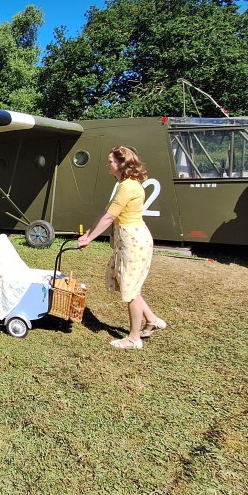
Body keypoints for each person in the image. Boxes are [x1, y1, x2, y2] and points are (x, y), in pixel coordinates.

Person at [77, 146, 166, 350]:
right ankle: (152, 320)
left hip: (132, 240)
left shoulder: (127, 186)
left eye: (110, 161)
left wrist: (89, 239)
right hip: (133, 238)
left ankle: (134, 339)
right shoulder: (126, 184)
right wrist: (88, 234)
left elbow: (109, 218)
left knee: (130, 289)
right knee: (130, 283)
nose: (107, 164)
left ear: (121, 163)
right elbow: (106, 212)